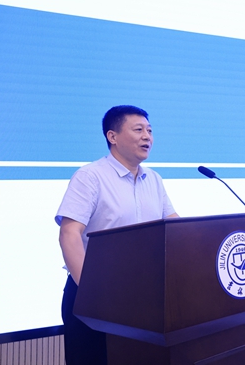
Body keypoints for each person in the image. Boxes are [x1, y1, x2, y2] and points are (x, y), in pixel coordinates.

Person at [54, 105, 178, 365]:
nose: (147, 136)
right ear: (112, 136)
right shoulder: (90, 177)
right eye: (139, 130)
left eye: (150, 130)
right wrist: (93, 292)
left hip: (145, 295)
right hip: (95, 296)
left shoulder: (154, 179)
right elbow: (69, 234)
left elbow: (174, 226)